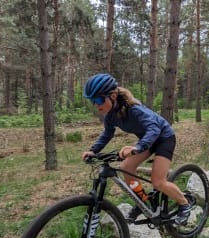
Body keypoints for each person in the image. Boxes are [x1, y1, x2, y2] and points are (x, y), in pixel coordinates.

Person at [81, 73, 192, 225]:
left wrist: (137, 147)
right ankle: (143, 201)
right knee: (126, 167)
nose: (96, 104)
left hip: (164, 138)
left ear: (113, 96)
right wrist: (93, 151)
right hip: (147, 140)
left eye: (99, 99)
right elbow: (107, 134)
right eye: (93, 101)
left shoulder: (135, 110)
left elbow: (154, 129)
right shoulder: (110, 116)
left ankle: (185, 204)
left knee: (158, 181)